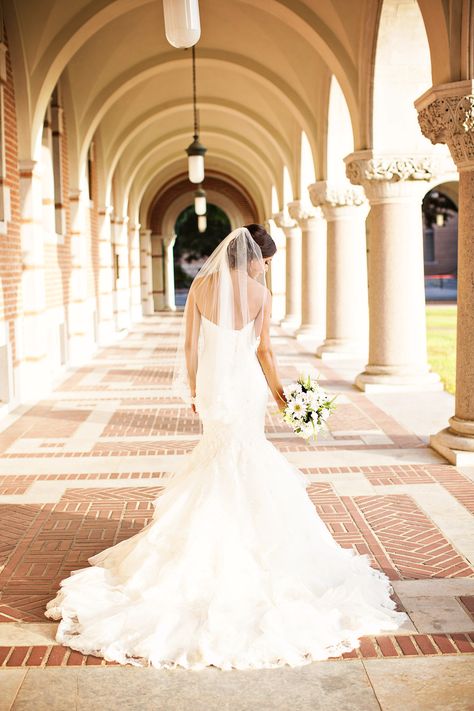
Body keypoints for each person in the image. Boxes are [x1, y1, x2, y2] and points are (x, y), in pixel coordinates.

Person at [45, 225, 409, 670]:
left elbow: (190, 346)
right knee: (247, 456)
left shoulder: (200, 285)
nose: (266, 267)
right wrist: (282, 396)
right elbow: (266, 353)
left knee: (219, 456)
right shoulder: (259, 294)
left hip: (216, 389)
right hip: (245, 388)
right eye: (266, 260)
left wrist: (197, 391)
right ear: (254, 258)